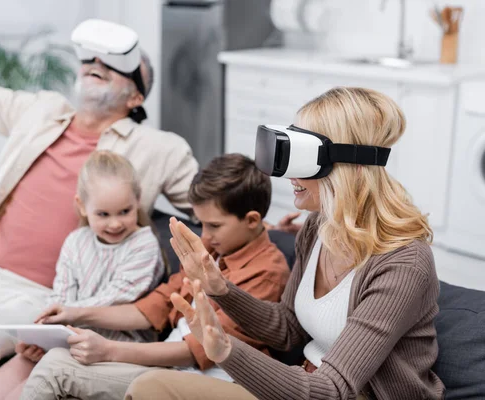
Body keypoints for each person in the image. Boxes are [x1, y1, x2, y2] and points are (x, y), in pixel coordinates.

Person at [0, 2, 198, 400]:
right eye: (92, 59)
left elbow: (214, 202)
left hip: (44, 295)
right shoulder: (40, 112)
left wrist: (278, 224)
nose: (97, 62)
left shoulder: (159, 148)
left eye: (116, 64)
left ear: (135, 96)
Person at [126, 87, 445, 400]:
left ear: (350, 168)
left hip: (346, 394)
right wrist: (220, 288)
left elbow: (331, 390)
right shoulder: (318, 226)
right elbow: (287, 328)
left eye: (302, 156)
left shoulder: (404, 262)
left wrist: (225, 350)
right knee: (150, 387)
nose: (287, 174)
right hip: (304, 382)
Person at [17, 153, 291, 400]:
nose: (204, 235)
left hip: (205, 377)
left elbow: (203, 350)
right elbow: (155, 307)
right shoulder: (211, 248)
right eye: (201, 224)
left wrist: (109, 350)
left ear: (253, 221)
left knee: (56, 369)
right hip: (169, 366)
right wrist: (73, 313)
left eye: (214, 225)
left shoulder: (266, 271)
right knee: (55, 360)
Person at [0, 151, 166, 399]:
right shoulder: (76, 242)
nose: (115, 224)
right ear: (82, 206)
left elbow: (115, 298)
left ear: (138, 200)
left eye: (124, 211)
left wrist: (62, 318)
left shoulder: (144, 244)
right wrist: (40, 336)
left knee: (21, 394)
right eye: (103, 214)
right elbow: (60, 297)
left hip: (115, 347)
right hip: (68, 338)